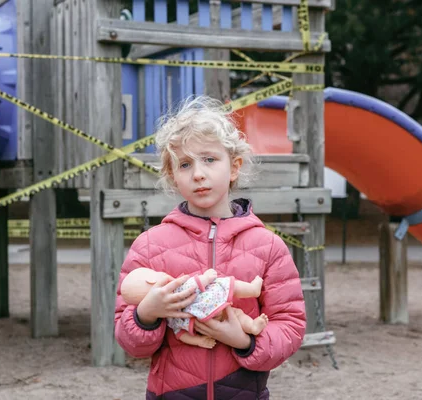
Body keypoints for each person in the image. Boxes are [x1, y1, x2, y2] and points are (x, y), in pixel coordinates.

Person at [114, 95, 306, 399]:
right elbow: (130, 341)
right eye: (185, 164)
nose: (198, 174)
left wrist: (244, 341)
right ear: (173, 177)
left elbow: (290, 325)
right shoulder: (150, 245)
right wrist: (147, 313)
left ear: (234, 167)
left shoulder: (267, 245)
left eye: (209, 159)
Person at [119, 267, 269, 349]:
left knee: (236, 315)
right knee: (227, 284)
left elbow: (180, 334)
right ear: (151, 280)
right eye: (155, 273)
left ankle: (251, 326)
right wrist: (207, 277)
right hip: (212, 298)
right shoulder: (177, 288)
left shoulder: (169, 317)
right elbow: (194, 283)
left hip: (204, 319)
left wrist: (198, 341)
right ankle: (252, 290)